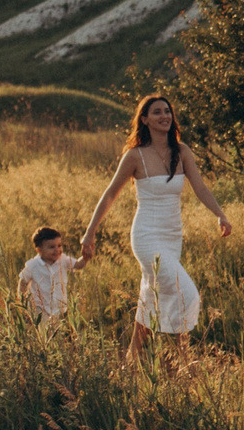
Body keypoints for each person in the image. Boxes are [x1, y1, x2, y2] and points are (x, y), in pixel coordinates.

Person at [80, 92, 232, 357]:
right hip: (146, 235)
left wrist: (220, 214)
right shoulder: (134, 156)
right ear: (145, 119)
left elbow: (199, 187)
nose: (164, 116)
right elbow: (109, 195)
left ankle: (131, 361)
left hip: (173, 235)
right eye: (157, 112)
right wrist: (89, 232)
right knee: (186, 293)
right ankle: (179, 360)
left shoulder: (181, 151)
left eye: (167, 111)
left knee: (151, 297)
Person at [17, 224, 84, 324]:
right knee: (44, 335)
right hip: (40, 310)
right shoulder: (33, 265)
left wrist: (86, 257)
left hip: (60, 309)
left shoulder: (63, 260)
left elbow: (78, 265)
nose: (57, 250)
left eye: (59, 245)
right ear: (39, 250)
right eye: (52, 247)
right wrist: (24, 304)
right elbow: (22, 282)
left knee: (60, 335)